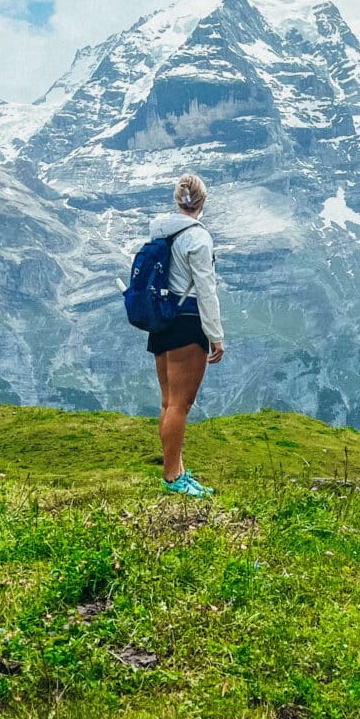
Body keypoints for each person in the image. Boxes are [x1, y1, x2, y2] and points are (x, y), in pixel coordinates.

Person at [148, 173, 224, 498]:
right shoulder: (200, 239)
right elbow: (206, 290)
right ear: (202, 202)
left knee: (168, 402)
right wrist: (216, 335)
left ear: (177, 199)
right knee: (182, 404)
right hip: (187, 321)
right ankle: (172, 480)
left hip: (161, 319)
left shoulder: (158, 230)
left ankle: (177, 470)